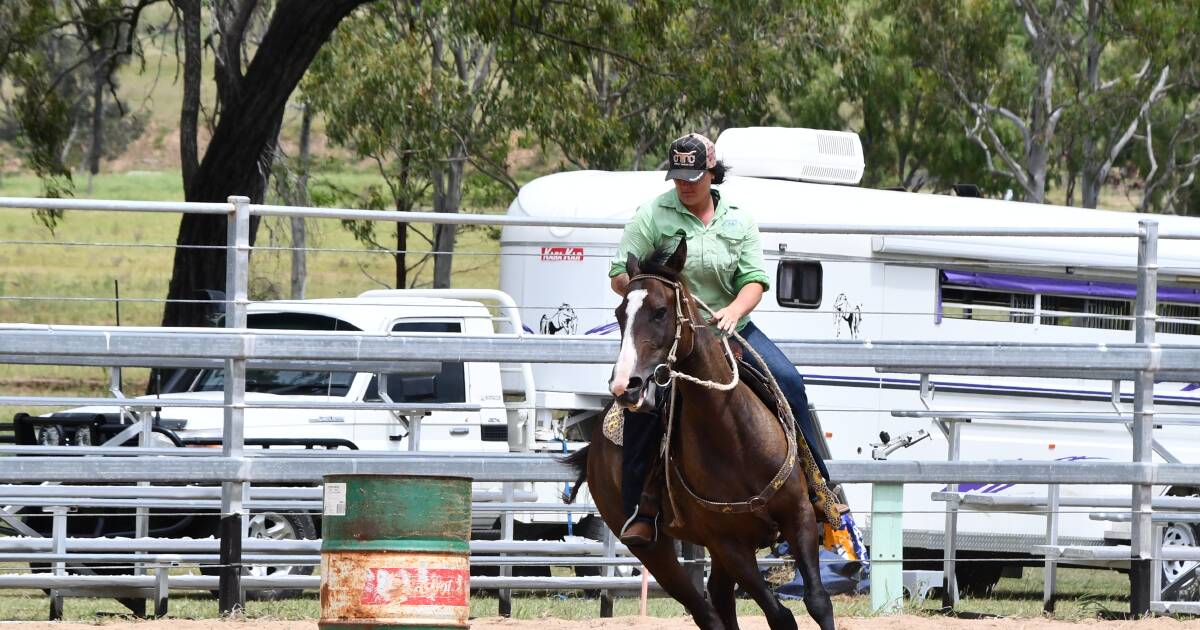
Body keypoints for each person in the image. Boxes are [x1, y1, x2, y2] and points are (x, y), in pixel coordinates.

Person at [608, 132, 832, 546]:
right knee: (643, 406)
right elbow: (620, 276)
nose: (685, 185)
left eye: (693, 176)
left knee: (790, 383)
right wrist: (653, 287)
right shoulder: (652, 216)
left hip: (732, 330)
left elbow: (754, 281)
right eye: (678, 177)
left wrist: (733, 311)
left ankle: (820, 489)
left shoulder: (738, 220)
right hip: (671, 338)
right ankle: (642, 507)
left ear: (712, 173)